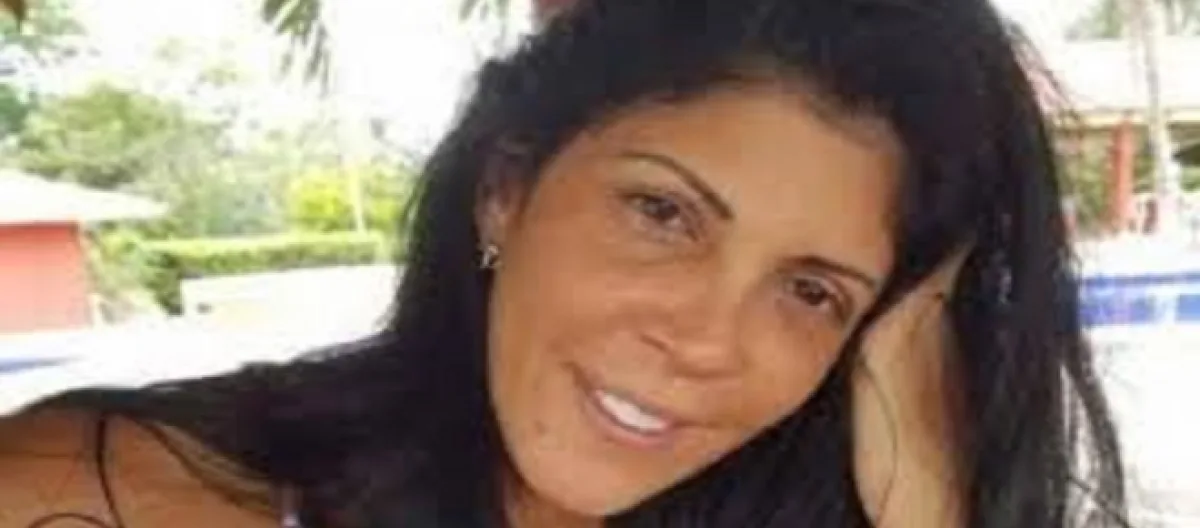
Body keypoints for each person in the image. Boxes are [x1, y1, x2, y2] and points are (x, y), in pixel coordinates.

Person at [0, 0, 1127, 526]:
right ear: (507, 187)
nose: (705, 341)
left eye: (810, 291)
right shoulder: (104, 495)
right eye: (662, 213)